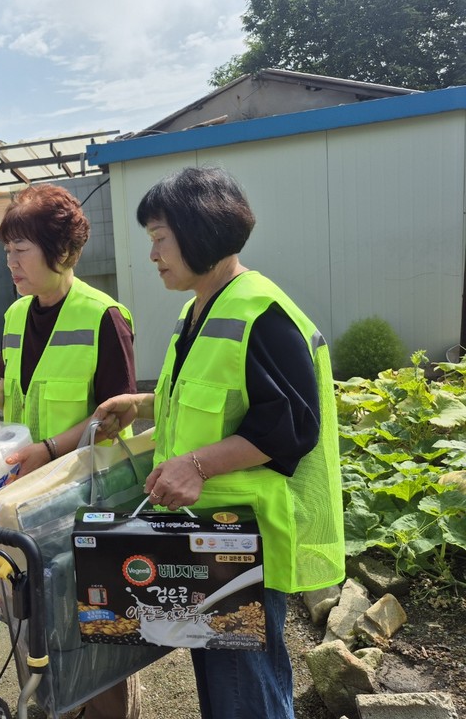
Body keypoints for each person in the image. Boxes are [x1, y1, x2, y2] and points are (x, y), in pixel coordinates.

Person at [93, 166, 346, 719]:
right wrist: (139, 404)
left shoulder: (261, 312)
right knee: (226, 678)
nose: (153, 254)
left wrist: (198, 466)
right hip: (210, 537)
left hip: (244, 540)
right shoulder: (198, 310)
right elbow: (206, 398)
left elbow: (291, 426)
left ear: (199, 231)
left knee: (242, 691)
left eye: (160, 238)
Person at [0, 182, 141, 719]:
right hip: (31, 496)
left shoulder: (104, 316)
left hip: (91, 495)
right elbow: (17, 385)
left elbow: (114, 417)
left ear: (61, 252)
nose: (11, 262)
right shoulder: (16, 315)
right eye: (7, 251)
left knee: (98, 624)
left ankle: (113, 709)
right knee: (42, 620)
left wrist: (48, 448)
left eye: (21, 250)